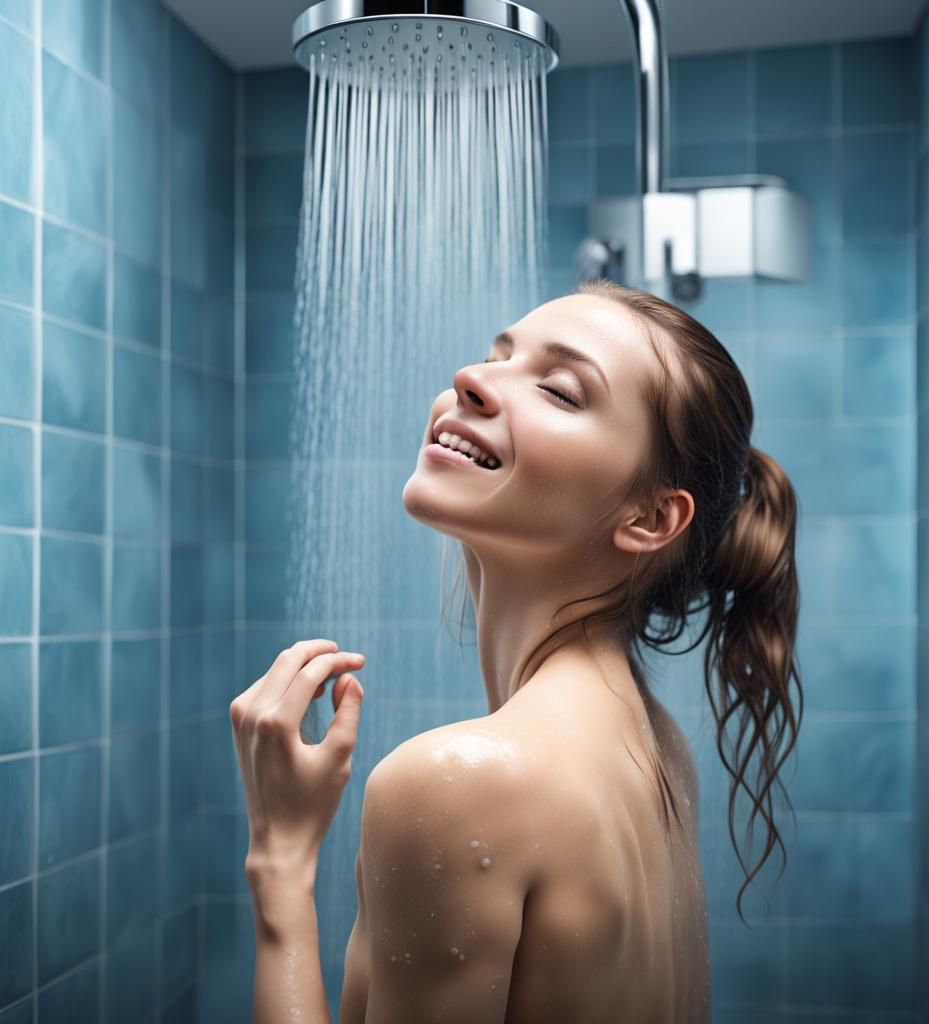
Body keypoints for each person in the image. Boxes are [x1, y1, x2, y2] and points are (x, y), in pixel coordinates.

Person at [230, 279, 803, 1023]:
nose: (471, 379)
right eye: (498, 356)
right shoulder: (656, 748)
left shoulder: (457, 783)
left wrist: (280, 864)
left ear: (651, 516)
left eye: (561, 392)